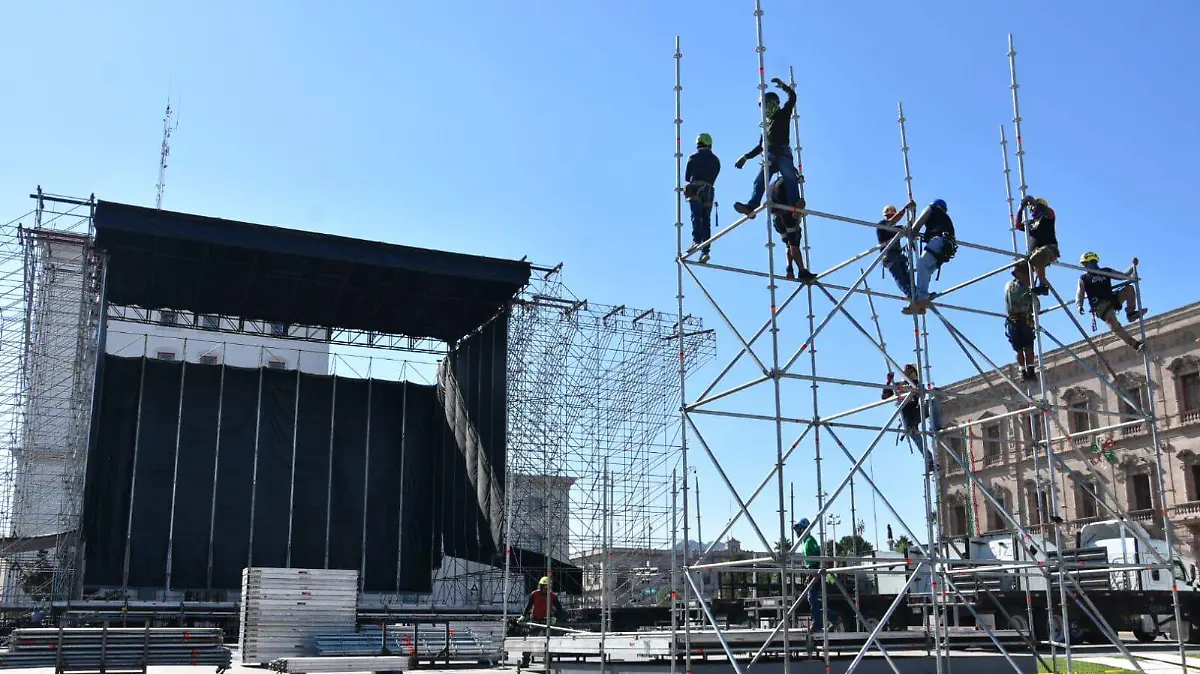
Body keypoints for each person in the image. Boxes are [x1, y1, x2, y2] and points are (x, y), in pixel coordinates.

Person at [732, 78, 804, 219]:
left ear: (774, 104)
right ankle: (751, 206)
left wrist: (784, 86)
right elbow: (760, 147)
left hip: (782, 153)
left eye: (767, 105)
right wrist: (746, 157)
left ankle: (796, 205)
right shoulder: (766, 126)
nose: (765, 110)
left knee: (790, 179)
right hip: (770, 156)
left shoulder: (783, 114)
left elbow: (793, 98)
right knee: (760, 181)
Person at [1075, 252, 1147, 352]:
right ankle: (1135, 344)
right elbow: (1080, 292)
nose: (1085, 266)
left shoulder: (1106, 271)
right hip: (1100, 306)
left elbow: (1123, 276)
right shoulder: (1084, 278)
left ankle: (1131, 313)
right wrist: (1079, 305)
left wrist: (1133, 266)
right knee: (1115, 325)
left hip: (1112, 299)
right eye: (1084, 264)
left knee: (1129, 289)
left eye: (1086, 264)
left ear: (1093, 262)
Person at [881, 364, 942, 471]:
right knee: (918, 440)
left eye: (910, 371)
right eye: (907, 371)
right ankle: (930, 461)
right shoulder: (898, 385)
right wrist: (889, 382)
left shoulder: (917, 385)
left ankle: (935, 428)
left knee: (932, 402)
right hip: (906, 419)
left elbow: (922, 394)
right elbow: (884, 396)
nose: (908, 373)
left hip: (915, 413)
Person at [903, 199, 956, 315]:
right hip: (947, 249)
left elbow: (917, 225)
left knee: (922, 264)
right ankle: (922, 299)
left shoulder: (932, 209)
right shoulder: (944, 219)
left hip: (940, 241)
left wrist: (910, 233)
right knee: (926, 270)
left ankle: (921, 298)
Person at [770, 177, 816, 282]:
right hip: (787, 216)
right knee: (794, 244)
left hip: (776, 219)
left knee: (789, 244)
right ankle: (802, 271)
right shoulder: (786, 181)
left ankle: (789, 268)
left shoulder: (772, 185)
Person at [685, 133, 721, 264]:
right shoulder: (716, 160)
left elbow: (687, 176)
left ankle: (696, 241)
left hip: (695, 189)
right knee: (706, 219)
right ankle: (705, 251)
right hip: (709, 190)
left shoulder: (693, 157)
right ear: (710, 145)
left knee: (696, 215)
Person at [517, 576, 567, 666]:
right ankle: (525, 661)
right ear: (541, 586)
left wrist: (555, 617)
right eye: (544, 587)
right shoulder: (534, 594)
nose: (546, 589)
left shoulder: (553, 596)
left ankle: (548, 662)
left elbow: (560, 610)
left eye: (548, 587)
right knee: (530, 640)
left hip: (547, 620)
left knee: (548, 641)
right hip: (535, 619)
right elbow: (528, 606)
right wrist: (523, 616)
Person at [792, 518, 829, 632]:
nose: (798, 532)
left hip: (815, 571)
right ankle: (832, 617)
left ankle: (817, 624)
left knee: (812, 598)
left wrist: (817, 571)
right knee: (813, 600)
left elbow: (819, 556)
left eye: (799, 529)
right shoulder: (804, 542)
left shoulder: (810, 541)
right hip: (810, 571)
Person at [1016, 196, 1058, 295]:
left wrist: (1034, 202)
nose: (1031, 209)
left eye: (1033, 207)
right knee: (1018, 269)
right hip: (1033, 255)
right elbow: (1018, 226)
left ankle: (1043, 286)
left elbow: (1050, 213)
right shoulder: (1030, 223)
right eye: (1030, 208)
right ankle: (1028, 289)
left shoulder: (1047, 217)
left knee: (1037, 257)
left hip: (1049, 249)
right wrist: (1020, 209)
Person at [1005, 263, 1038, 382]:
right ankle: (1028, 371)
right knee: (1027, 347)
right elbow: (1036, 306)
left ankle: (1024, 371)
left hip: (1014, 320)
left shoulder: (1009, 285)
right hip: (1023, 319)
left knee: (1020, 349)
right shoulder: (1021, 287)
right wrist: (1033, 292)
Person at [878, 203, 914, 297]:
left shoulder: (896, 228)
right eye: (890, 215)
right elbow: (894, 219)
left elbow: (910, 227)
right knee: (900, 278)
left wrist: (913, 212)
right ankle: (911, 294)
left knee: (908, 278)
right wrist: (906, 208)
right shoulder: (882, 225)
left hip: (898, 255)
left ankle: (916, 294)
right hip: (889, 255)